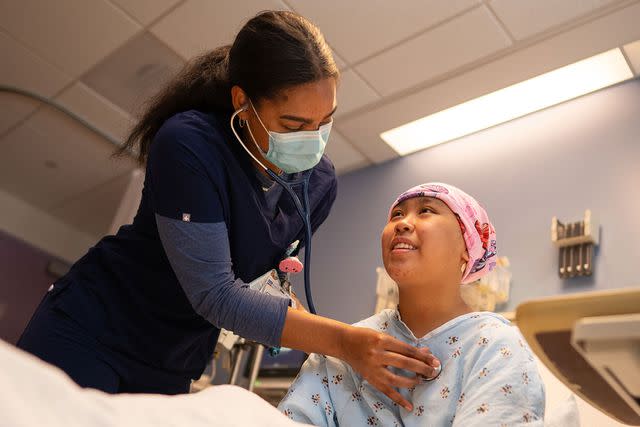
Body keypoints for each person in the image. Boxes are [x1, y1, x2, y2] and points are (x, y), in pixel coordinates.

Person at [16, 11, 438, 408]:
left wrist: (345, 349)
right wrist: (345, 343)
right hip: (95, 328)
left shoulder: (319, 185)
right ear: (242, 102)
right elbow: (216, 293)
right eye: (293, 125)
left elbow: (262, 283)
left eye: (324, 121)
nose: (313, 139)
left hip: (173, 359)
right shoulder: (190, 144)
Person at [278, 183, 545, 426]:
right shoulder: (344, 351)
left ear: (468, 245)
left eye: (426, 211)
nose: (403, 223)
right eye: (397, 215)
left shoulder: (496, 347)